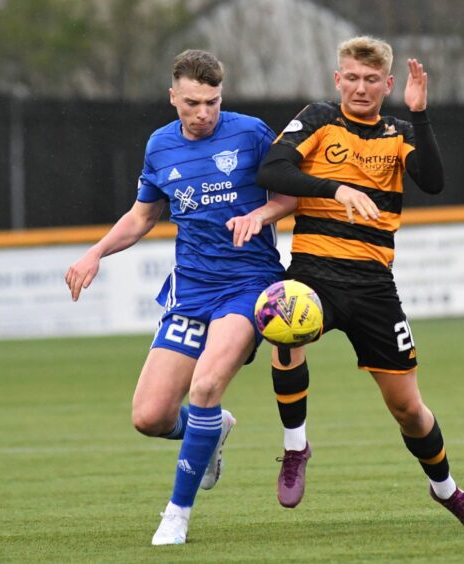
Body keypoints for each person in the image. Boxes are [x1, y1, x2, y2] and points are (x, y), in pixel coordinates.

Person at [230, 36, 464, 526]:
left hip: (374, 285)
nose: (360, 87)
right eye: (351, 77)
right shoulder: (317, 119)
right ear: (338, 79)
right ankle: (295, 448)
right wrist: (336, 187)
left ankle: (447, 490)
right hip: (314, 271)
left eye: (372, 79)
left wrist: (421, 114)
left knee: (409, 410)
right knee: (282, 322)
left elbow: (432, 181)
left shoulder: (397, 131)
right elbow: (274, 168)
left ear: (388, 84)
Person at [65, 49, 294, 545]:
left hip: (247, 285)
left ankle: (176, 515)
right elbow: (142, 217)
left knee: (206, 386)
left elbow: (290, 195)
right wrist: (96, 254)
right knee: (149, 417)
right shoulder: (159, 146)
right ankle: (211, 430)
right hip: (191, 291)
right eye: (192, 102)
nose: (204, 113)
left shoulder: (252, 133)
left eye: (212, 101)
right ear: (173, 97)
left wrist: (263, 215)